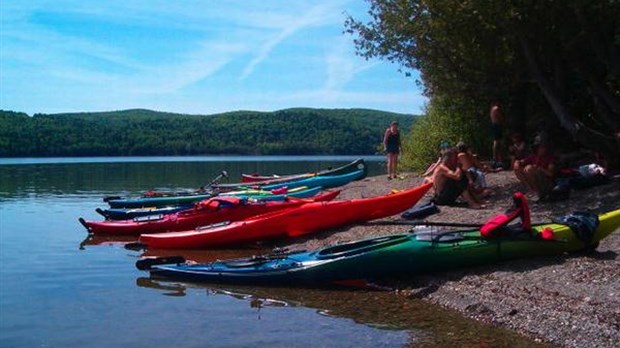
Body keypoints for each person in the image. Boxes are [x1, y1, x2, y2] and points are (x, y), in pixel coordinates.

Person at [489, 101, 503, 166]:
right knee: (497, 141)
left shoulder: (491, 109)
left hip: (494, 125)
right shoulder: (496, 108)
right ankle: (495, 158)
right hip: (497, 125)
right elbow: (500, 117)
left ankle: (497, 158)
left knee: (497, 141)